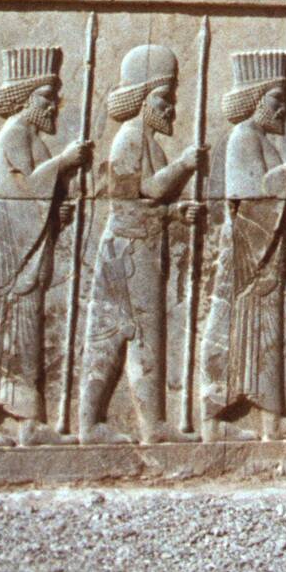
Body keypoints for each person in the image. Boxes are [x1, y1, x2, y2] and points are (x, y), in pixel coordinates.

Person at [0, 46, 89, 445]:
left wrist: (56, 212)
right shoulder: (14, 132)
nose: (53, 106)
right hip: (11, 249)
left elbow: (40, 196)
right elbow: (22, 190)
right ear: (26, 98)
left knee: (25, 330)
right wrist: (63, 163)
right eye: (46, 98)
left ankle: (28, 421)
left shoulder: (30, 135)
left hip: (29, 246)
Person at [79, 44, 204, 443]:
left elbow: (145, 204)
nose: (170, 108)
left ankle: (152, 426)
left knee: (143, 336)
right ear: (142, 99)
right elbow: (146, 191)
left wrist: (175, 215)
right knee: (113, 334)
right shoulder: (130, 138)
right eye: (163, 99)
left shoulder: (146, 141)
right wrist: (184, 165)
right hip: (127, 253)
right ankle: (89, 423)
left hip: (141, 248)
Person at [199, 51, 286, 438]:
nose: (283, 109)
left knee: (266, 332)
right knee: (237, 329)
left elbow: (267, 196)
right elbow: (251, 195)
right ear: (255, 100)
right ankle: (215, 419)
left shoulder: (258, 139)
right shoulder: (242, 137)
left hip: (264, 254)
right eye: (276, 100)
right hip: (248, 255)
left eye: (285, 100)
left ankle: (272, 421)